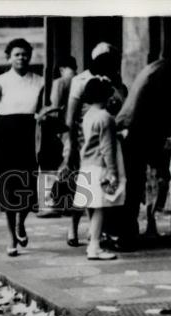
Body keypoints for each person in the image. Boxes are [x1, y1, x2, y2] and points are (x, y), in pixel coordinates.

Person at [115, 46, 171, 249]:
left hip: (132, 131)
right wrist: (162, 144)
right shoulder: (167, 74)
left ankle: (125, 233)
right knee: (134, 187)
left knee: (132, 186)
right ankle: (126, 237)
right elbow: (158, 113)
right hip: (138, 135)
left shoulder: (157, 66)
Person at [0, 38, 45, 257]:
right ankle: (11, 238)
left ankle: (21, 223)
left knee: (27, 189)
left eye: (25, 54)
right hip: (5, 136)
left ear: (30, 56)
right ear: (9, 57)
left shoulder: (39, 81)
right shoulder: (0, 82)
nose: (21, 58)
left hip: (28, 136)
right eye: (17, 54)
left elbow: (43, 112)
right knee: (8, 189)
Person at [61, 44, 127, 247]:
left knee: (95, 194)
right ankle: (77, 230)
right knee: (85, 192)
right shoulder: (80, 81)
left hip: (103, 136)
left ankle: (97, 233)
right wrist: (69, 147)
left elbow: (123, 107)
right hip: (83, 140)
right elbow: (70, 118)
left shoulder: (116, 83)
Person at [73, 77, 125, 260]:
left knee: (92, 208)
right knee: (101, 209)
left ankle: (92, 242)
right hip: (100, 167)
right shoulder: (106, 117)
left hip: (86, 165)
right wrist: (112, 172)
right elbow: (107, 148)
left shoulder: (88, 116)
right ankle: (94, 247)